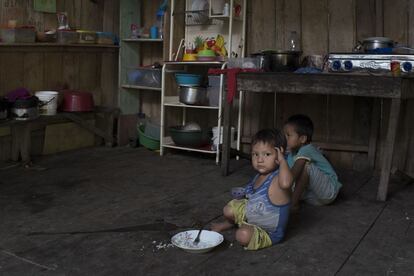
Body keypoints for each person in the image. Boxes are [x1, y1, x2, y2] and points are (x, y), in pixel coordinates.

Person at [211, 128, 293, 250]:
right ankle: (230, 223)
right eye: (255, 154)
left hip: (267, 232)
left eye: (267, 154)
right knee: (228, 209)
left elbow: (287, 183)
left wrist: (282, 161)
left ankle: (244, 227)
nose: (260, 160)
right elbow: (251, 196)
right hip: (252, 215)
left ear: (279, 153)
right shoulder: (258, 177)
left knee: (242, 235)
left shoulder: (277, 179)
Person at [283, 114, 342, 210]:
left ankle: (293, 204)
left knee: (306, 166)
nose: (285, 139)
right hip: (313, 197)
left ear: (302, 139)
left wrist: (284, 183)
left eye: (288, 135)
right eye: (284, 135)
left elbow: (291, 176)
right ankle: (292, 199)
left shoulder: (307, 149)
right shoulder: (291, 153)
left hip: (328, 191)